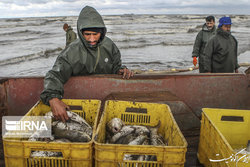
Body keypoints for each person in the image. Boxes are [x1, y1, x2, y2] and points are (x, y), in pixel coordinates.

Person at [40, 6, 134, 122]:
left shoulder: (110, 46)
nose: (91, 39)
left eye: (95, 34)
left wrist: (120, 70)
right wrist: (53, 99)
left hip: (106, 97)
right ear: (80, 32)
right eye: (87, 34)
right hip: (81, 98)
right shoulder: (71, 51)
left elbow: (116, 66)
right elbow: (54, 75)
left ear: (102, 32)